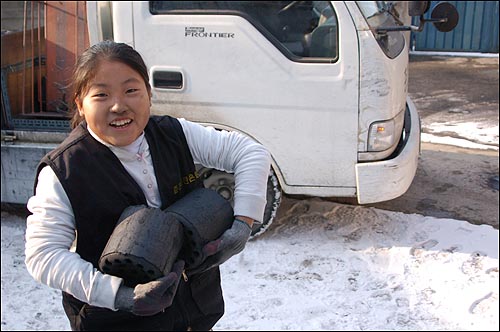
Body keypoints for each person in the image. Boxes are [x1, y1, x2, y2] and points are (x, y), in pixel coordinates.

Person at [24, 40, 271, 331]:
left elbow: (251, 153)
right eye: (101, 94)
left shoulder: (174, 134)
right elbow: (43, 256)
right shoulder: (65, 171)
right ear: (80, 102)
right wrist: (121, 296)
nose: (119, 106)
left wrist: (243, 223)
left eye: (131, 91)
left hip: (195, 313)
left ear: (149, 95)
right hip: (118, 322)